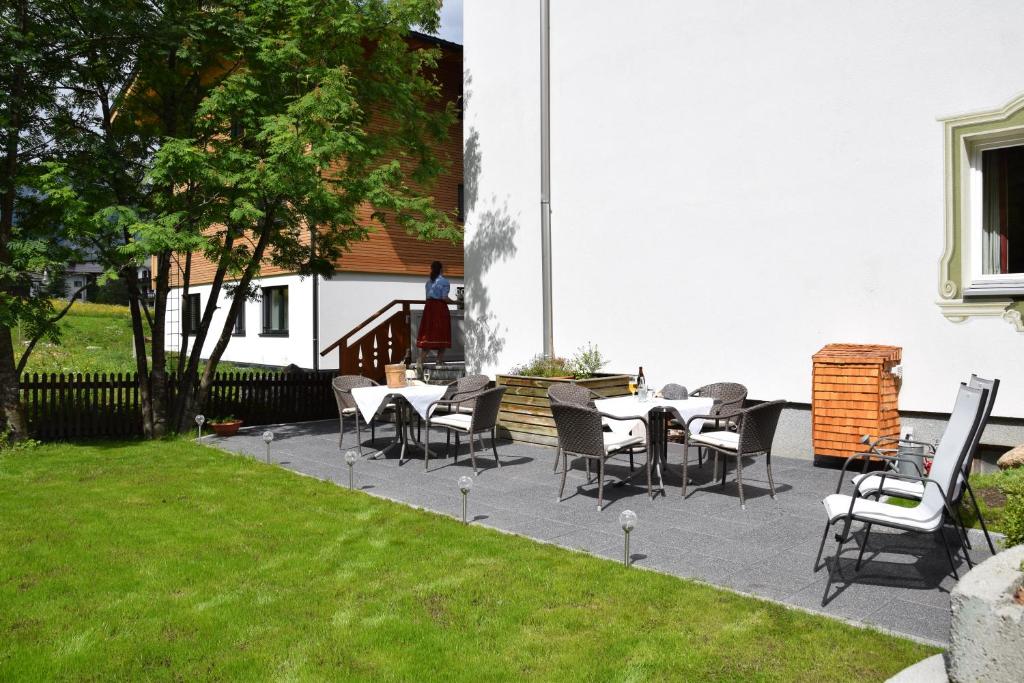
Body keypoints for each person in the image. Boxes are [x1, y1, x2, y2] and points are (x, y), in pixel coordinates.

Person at [416, 260, 453, 374]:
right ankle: (439, 361)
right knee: (442, 332)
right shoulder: (444, 281)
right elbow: (444, 298)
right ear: (441, 269)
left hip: (429, 309)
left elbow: (427, 297)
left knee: (428, 333)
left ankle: (420, 361)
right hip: (440, 309)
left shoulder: (428, 282)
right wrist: (455, 302)